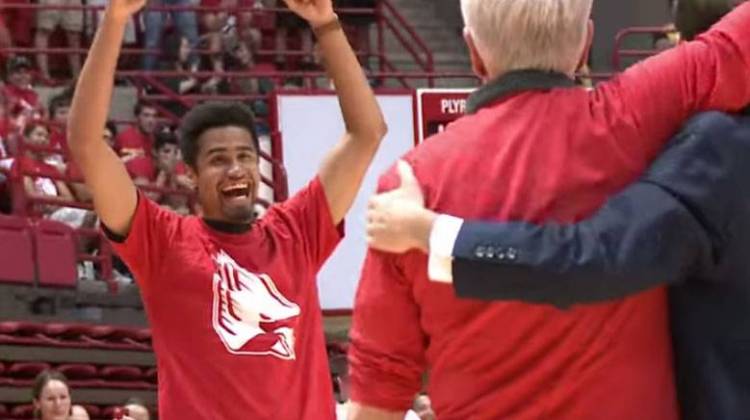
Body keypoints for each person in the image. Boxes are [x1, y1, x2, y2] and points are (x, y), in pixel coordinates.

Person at [347, 0, 750, 419]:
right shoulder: (636, 118)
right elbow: (730, 49)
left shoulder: (408, 187)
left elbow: (377, 398)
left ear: (473, 53)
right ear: (584, 45)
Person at [67, 0, 386, 419]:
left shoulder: (297, 230)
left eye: (245, 157)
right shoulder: (162, 241)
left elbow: (367, 132)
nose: (235, 169)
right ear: (188, 175)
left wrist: (326, 25)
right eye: (218, 159)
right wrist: (115, 20)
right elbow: (86, 143)